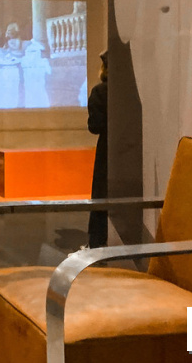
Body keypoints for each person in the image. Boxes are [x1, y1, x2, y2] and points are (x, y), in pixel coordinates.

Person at [87, 50, 108, 248]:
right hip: (131, 149)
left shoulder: (100, 91)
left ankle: (97, 244)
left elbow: (95, 126)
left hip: (107, 150)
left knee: (101, 195)